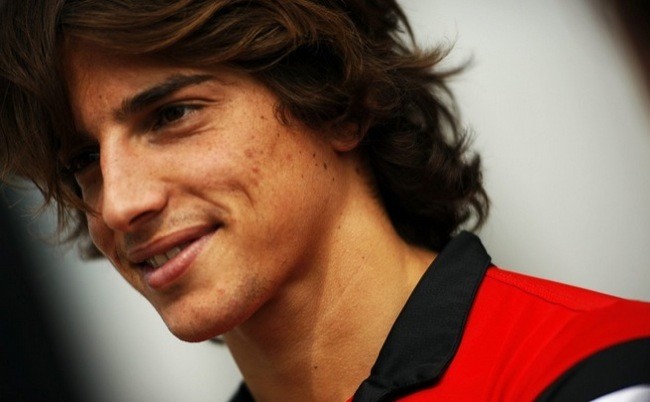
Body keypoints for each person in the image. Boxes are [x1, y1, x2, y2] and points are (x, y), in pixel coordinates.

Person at [1, 1, 648, 401]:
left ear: (338, 102)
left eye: (172, 115)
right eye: (82, 161)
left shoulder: (593, 374)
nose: (119, 203)